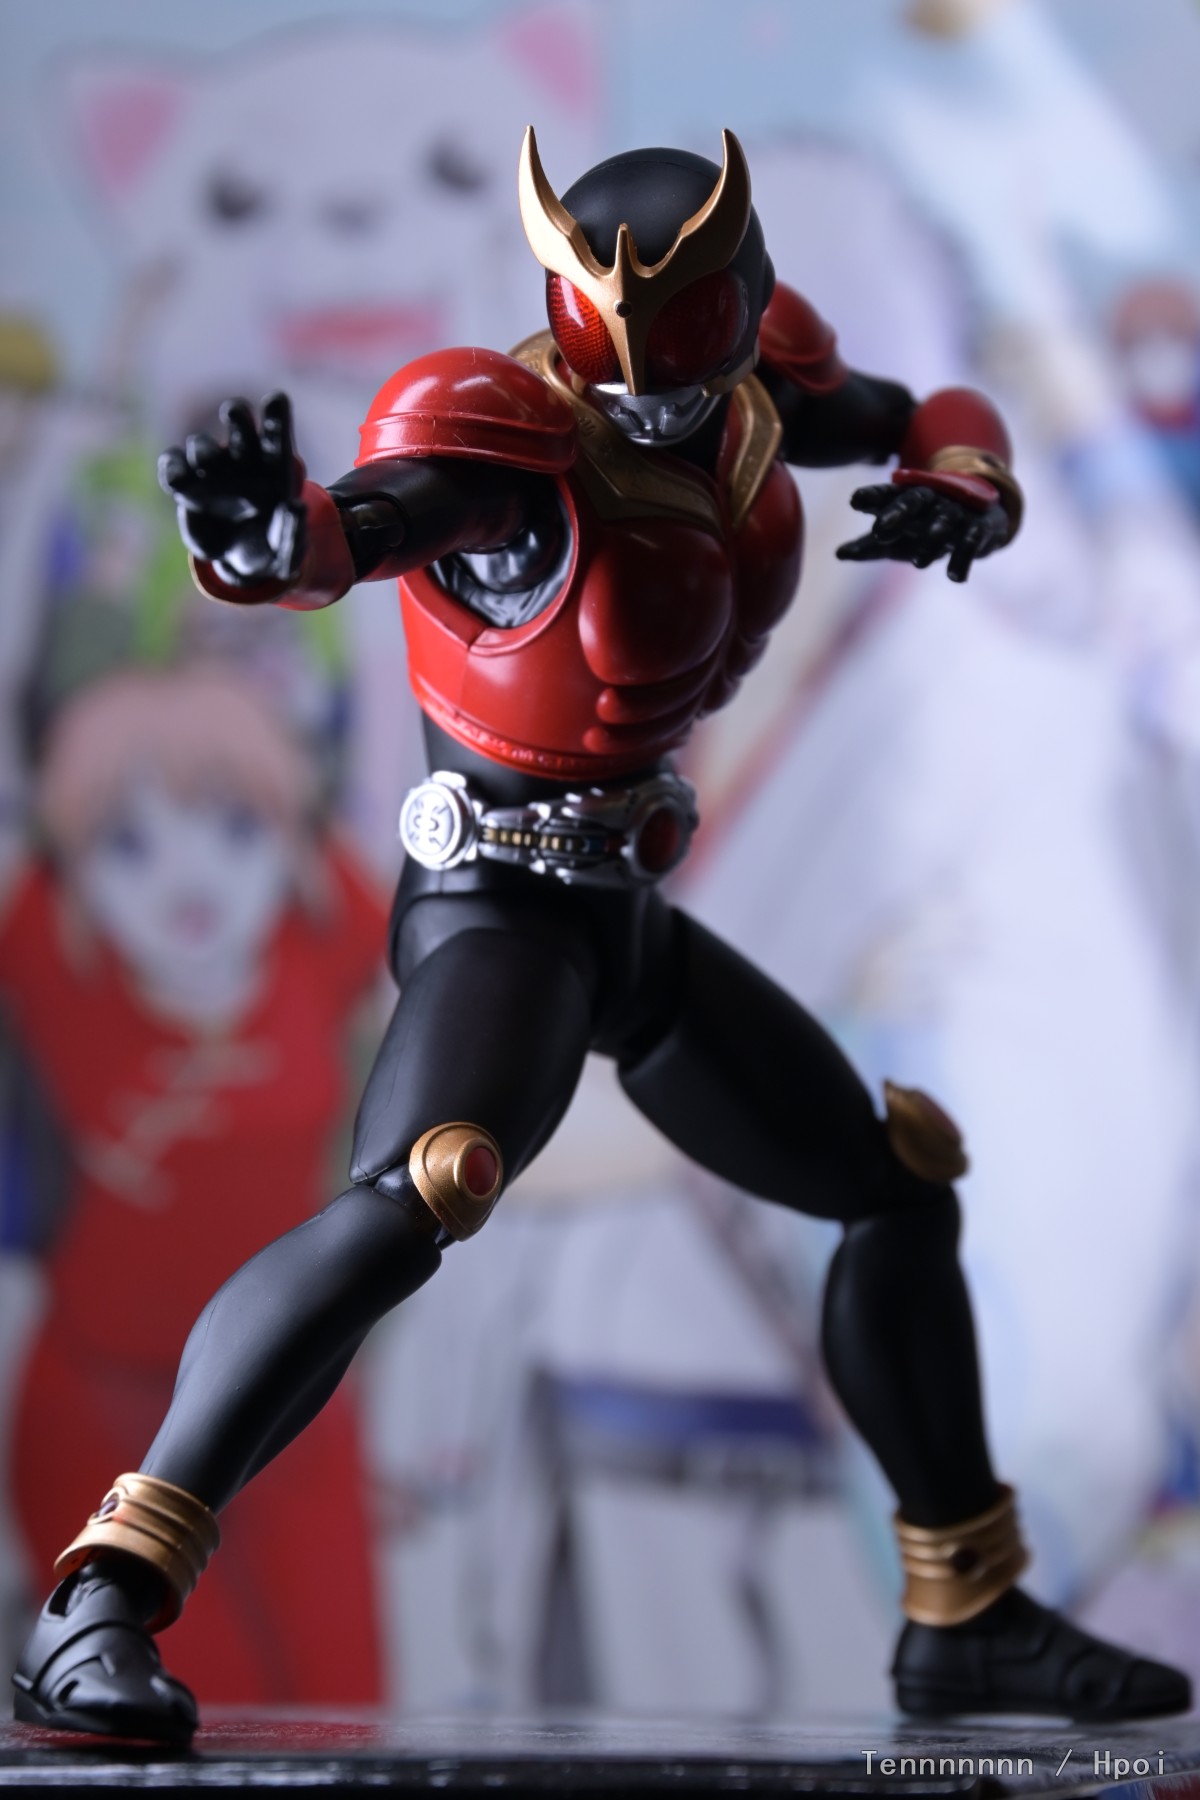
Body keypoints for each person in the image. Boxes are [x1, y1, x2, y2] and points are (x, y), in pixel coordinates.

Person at [14, 129, 1190, 1740]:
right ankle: (101, 1595)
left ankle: (965, 1614)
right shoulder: (509, 444)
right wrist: (267, 539)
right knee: (419, 1196)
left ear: (739, 306)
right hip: (501, 912)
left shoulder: (754, 388)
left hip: (628, 914)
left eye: (677, 372)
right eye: (619, 373)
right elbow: (362, 529)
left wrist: (964, 482)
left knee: (891, 1188)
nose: (644, 406)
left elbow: (922, 412)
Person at [4, 665, 388, 1706]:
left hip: (295, 1416)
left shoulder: (326, 923)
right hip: (105, 1421)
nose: (187, 880)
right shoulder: (45, 942)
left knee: (346, 1714)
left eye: (234, 829)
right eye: (127, 844)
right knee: (182, 1727)